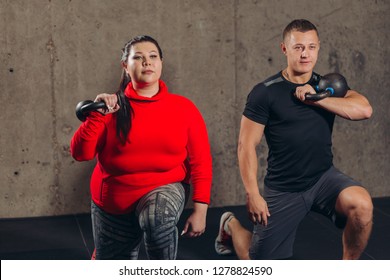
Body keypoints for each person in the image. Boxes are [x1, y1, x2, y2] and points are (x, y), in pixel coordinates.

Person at [215, 19, 373, 260]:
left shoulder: (327, 86)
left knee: (362, 206)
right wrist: (252, 194)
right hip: (284, 188)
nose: (305, 54)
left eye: (311, 47)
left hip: (323, 178)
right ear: (284, 49)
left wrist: (316, 98)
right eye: (298, 47)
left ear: (318, 48)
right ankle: (230, 226)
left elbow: (364, 110)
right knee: (258, 263)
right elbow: (246, 145)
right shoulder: (265, 92)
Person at [70, 35, 212, 260]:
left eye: (153, 56)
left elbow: (201, 162)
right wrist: (96, 115)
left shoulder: (183, 108)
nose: (147, 62)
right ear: (125, 66)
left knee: (157, 218)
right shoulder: (110, 107)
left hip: (165, 187)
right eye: (138, 57)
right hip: (113, 200)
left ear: (161, 63)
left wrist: (200, 210)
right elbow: (81, 154)